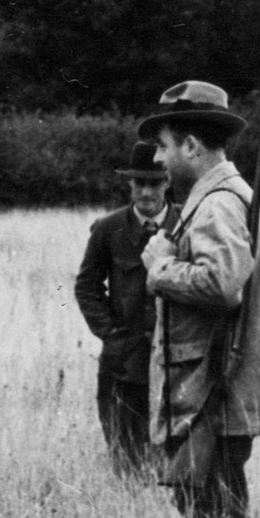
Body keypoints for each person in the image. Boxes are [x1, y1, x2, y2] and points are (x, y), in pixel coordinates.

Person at [138, 81, 260, 518]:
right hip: (212, 387)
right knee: (208, 508)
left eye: (163, 145)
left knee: (214, 512)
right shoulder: (223, 197)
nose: (158, 159)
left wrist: (160, 268)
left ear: (191, 146)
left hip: (214, 391)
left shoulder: (218, 202)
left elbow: (222, 284)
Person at [73, 139, 173, 473]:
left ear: (168, 182)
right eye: (140, 183)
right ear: (129, 184)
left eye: (155, 183)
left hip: (175, 362)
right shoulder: (108, 229)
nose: (147, 192)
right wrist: (111, 334)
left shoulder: (186, 225)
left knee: (172, 458)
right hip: (123, 364)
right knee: (125, 455)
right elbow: (86, 286)